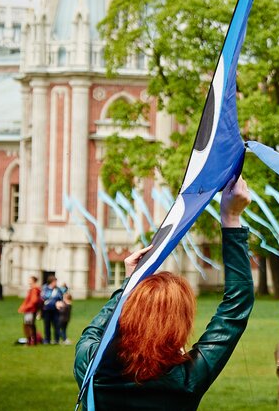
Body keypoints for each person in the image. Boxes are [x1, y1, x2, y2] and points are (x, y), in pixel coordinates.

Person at [74, 176, 254, 410]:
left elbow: (96, 331)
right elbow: (236, 307)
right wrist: (231, 218)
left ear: (131, 314)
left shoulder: (90, 364)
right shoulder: (188, 380)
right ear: (178, 324)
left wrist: (129, 284)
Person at [17, 276, 42, 346]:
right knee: (30, 325)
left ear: (34, 281)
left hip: (31, 310)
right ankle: (32, 341)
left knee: (29, 325)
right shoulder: (33, 289)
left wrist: (25, 308)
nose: (28, 281)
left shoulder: (34, 289)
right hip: (30, 310)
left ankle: (31, 341)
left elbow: (33, 301)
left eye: (30, 279)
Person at [41, 275, 63, 344]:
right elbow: (44, 297)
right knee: (47, 325)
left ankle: (56, 340)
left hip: (55, 310)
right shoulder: (45, 288)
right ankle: (47, 340)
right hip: (47, 310)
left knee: (56, 325)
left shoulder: (58, 289)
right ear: (51, 282)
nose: (56, 283)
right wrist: (53, 301)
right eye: (54, 281)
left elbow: (60, 297)